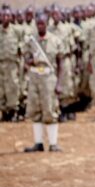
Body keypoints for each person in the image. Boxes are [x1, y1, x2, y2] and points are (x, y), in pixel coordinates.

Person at [23, 14, 63, 152]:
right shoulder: (30, 41)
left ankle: (53, 143)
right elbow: (25, 59)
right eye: (38, 24)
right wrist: (31, 60)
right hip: (34, 76)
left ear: (47, 24)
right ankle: (38, 143)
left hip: (48, 77)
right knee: (36, 109)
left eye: (43, 23)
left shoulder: (55, 41)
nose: (40, 26)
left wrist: (59, 83)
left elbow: (60, 62)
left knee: (50, 108)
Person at [1, 7, 24, 121]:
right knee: (1, 89)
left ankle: (13, 110)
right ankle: (4, 111)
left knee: (13, 87)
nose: (5, 18)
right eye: (3, 16)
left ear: (10, 17)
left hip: (12, 64)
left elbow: (22, 45)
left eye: (7, 16)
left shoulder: (16, 31)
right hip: (0, 64)